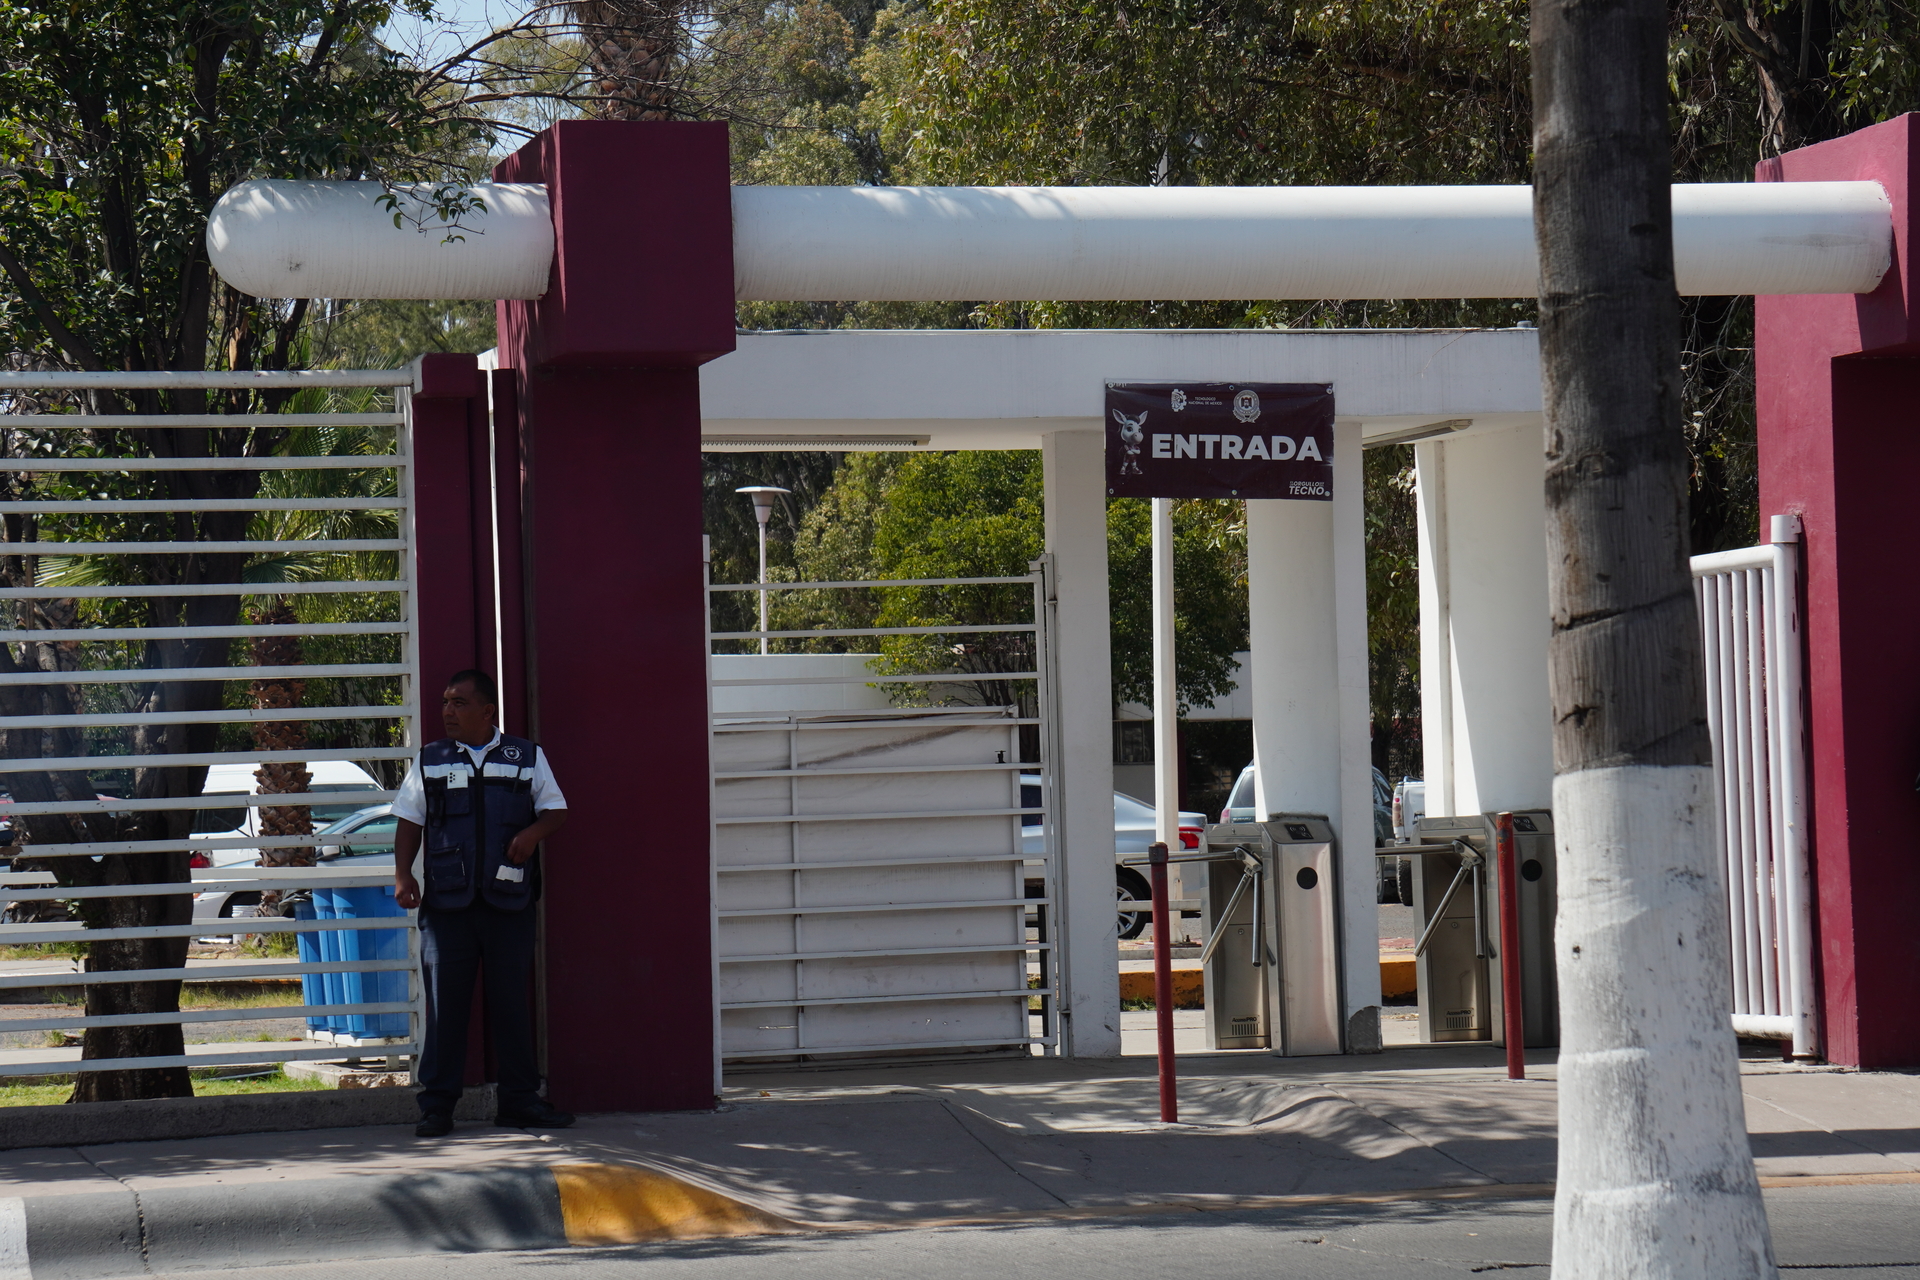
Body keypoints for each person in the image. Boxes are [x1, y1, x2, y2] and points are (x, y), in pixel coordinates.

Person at [393, 668, 573, 1138]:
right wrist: (402, 875)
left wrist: (531, 835)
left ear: (487, 710)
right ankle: (437, 1107)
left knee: (511, 1005)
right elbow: (409, 820)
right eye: (445, 702)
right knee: (445, 1009)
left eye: (459, 703)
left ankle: (519, 1102)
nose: (448, 711)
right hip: (447, 907)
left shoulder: (525, 756)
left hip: (507, 904)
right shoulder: (431, 759)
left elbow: (555, 809)